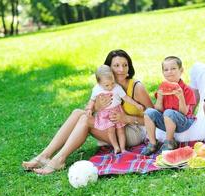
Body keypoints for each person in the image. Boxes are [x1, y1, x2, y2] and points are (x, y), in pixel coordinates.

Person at [22, 49, 153, 174]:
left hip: (134, 130)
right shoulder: (105, 85)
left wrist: (127, 119)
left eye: (125, 65)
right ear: (108, 69)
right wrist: (96, 107)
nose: (121, 70)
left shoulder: (136, 87)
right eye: (116, 65)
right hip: (112, 125)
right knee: (78, 113)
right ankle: (44, 156)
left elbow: (156, 118)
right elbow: (90, 109)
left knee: (85, 120)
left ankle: (59, 160)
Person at [141, 56, 196, 155]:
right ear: (163, 73)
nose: (169, 72)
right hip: (166, 121)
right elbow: (158, 110)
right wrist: (160, 97)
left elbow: (184, 112)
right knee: (148, 112)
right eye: (166, 70)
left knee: (168, 112)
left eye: (173, 68)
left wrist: (181, 97)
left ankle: (170, 141)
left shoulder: (187, 90)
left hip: (183, 122)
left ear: (181, 70)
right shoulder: (162, 87)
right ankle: (153, 143)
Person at [87, 65, 144, 154]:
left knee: (121, 130)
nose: (110, 87)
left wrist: (136, 104)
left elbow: (125, 97)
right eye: (107, 85)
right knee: (111, 130)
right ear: (99, 82)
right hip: (105, 114)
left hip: (117, 110)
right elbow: (92, 100)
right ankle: (116, 147)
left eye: (112, 83)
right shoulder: (96, 89)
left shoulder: (117, 87)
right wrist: (89, 109)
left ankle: (123, 148)